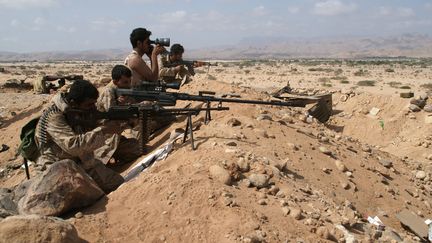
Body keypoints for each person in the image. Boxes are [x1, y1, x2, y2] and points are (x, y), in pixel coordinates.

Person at [34, 80, 141, 192]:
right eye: (89, 105)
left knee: (118, 183)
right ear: (74, 103)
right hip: (57, 166)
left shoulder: (79, 110)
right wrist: (104, 130)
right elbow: (73, 146)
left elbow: (94, 123)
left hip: (83, 159)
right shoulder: (54, 116)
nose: (93, 108)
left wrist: (124, 121)